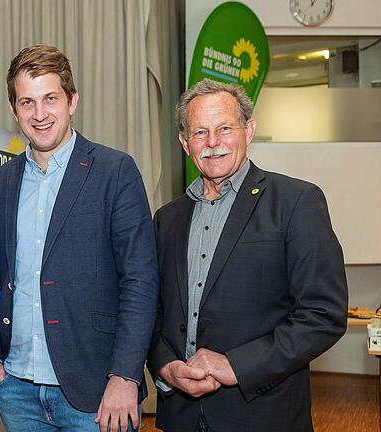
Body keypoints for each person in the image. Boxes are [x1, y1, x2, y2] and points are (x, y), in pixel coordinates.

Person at [147, 78, 348, 432]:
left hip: (262, 416)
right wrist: (165, 367)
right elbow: (151, 313)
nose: (213, 143)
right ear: (184, 142)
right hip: (181, 418)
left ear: (249, 130)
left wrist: (236, 365)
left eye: (225, 128)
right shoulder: (167, 219)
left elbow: (323, 314)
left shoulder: (296, 202)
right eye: (200, 132)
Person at [0, 44, 158, 432]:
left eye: (50, 98)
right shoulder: (1, 183)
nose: (40, 114)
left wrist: (125, 376)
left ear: (72, 100)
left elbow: (141, 282)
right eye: (27, 102)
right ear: (14, 109)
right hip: (16, 388)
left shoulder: (115, 171)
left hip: (97, 391)